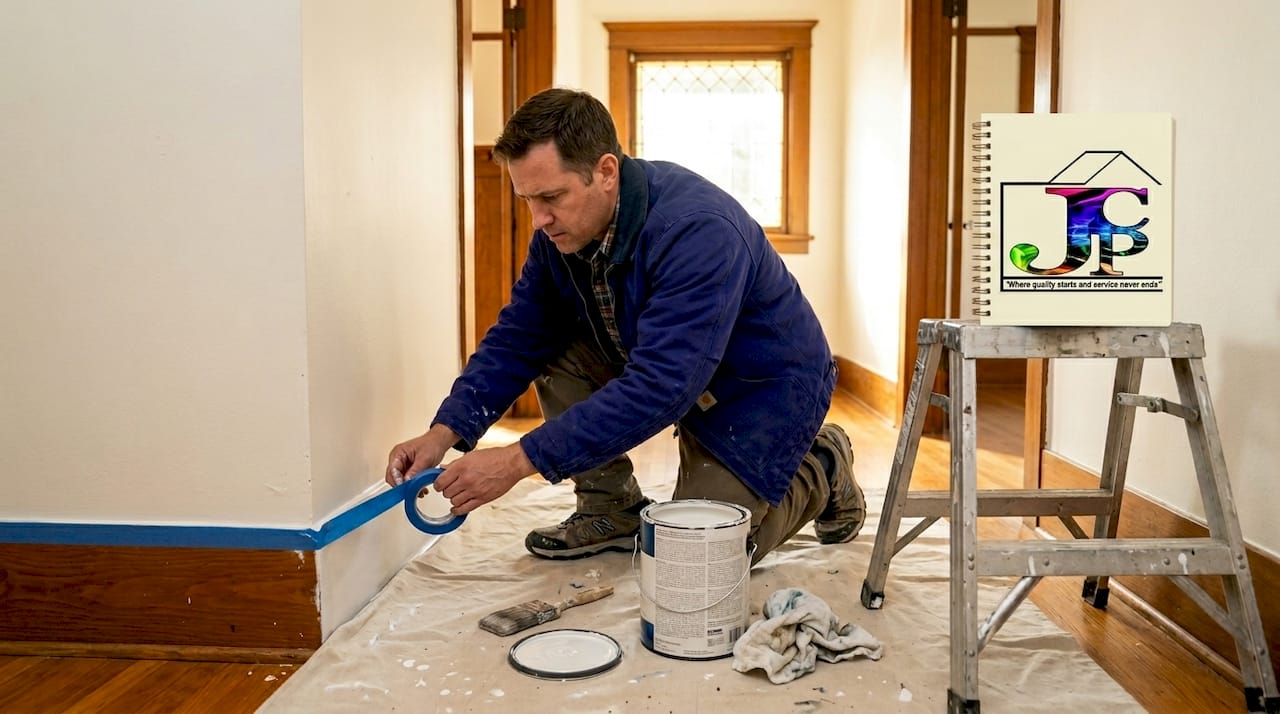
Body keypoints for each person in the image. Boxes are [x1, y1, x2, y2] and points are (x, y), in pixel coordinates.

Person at [385, 87, 864, 564]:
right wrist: (444, 431)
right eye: (527, 199)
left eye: (551, 196)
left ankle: (824, 464)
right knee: (550, 342)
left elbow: (662, 386)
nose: (538, 220)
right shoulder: (560, 234)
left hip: (762, 387)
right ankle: (611, 509)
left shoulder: (699, 229)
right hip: (679, 368)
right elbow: (518, 337)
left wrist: (516, 461)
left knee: (698, 557)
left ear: (606, 171)